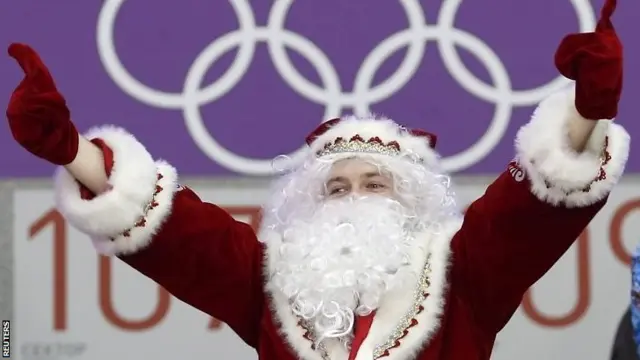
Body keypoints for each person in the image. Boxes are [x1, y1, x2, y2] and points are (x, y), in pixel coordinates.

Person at [4, 0, 629, 359]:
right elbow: (176, 234)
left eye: (375, 183)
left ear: (412, 202)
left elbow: (530, 206)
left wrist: (585, 111)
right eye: (337, 187)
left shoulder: (463, 274)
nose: (354, 198)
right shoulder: (269, 283)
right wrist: (74, 151)